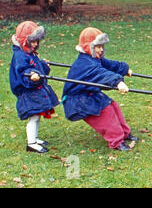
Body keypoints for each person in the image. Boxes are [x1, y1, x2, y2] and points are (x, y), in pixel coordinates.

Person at [61, 27, 138, 151]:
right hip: (77, 101)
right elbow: (100, 73)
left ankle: (124, 133)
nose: (101, 50)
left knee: (113, 105)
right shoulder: (85, 64)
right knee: (106, 113)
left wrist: (124, 69)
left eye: (102, 46)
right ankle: (116, 142)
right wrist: (118, 82)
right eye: (98, 47)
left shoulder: (94, 58)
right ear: (89, 47)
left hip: (89, 94)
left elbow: (109, 65)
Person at [9, 21, 59, 153]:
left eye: (37, 41)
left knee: (37, 116)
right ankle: (31, 143)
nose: (36, 44)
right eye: (33, 41)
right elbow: (23, 70)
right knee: (34, 116)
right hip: (27, 92)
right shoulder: (20, 55)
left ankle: (35, 139)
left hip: (34, 91)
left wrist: (43, 65)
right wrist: (32, 75)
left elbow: (35, 64)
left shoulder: (29, 53)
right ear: (24, 41)